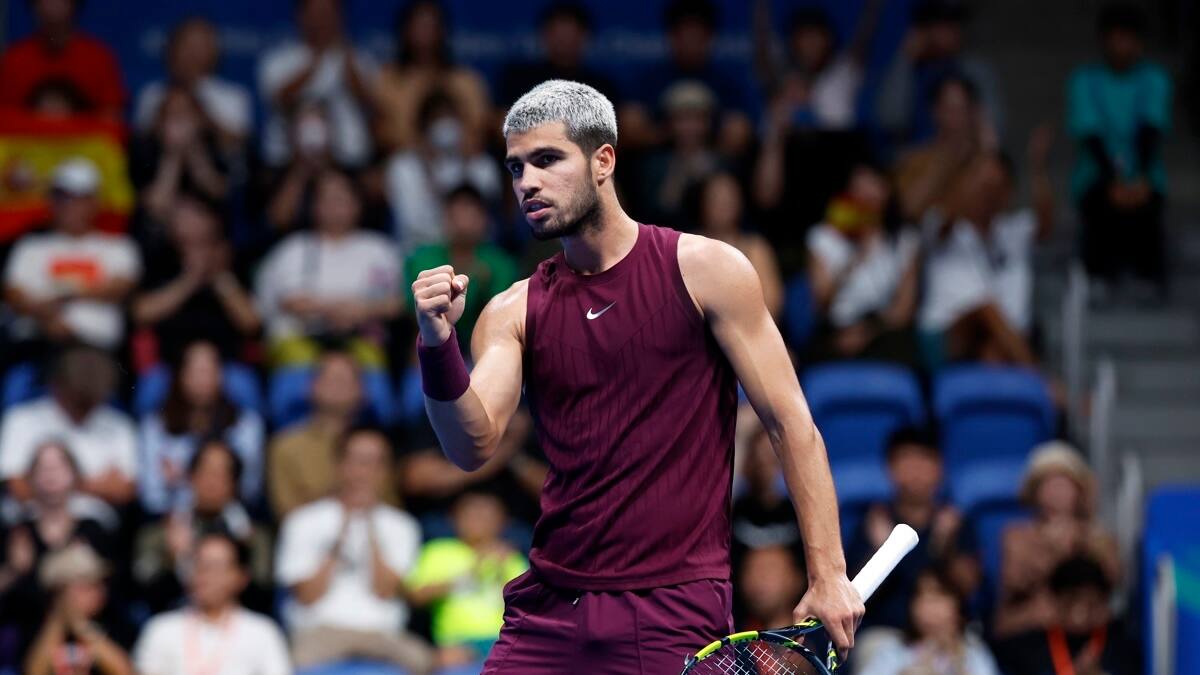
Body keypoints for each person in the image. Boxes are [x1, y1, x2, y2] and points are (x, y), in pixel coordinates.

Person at [412, 80, 862, 673]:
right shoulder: (511, 310)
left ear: (604, 161)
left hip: (672, 609)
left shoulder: (707, 270)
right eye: (516, 167)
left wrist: (828, 573)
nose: (527, 183)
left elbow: (790, 423)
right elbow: (471, 445)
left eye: (547, 160)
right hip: (549, 608)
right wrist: (436, 343)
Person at [274, 426, 432, 672]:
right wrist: (343, 527)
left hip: (382, 634)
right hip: (320, 631)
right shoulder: (302, 521)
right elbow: (307, 595)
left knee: (423, 661)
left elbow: (385, 590)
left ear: (385, 471)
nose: (363, 472)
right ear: (339, 464)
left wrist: (369, 523)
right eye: (356, 461)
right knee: (289, 664)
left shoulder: (403, 526)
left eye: (373, 463)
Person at [1068, 2, 1171, 297]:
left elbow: (1151, 131)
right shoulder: (1085, 80)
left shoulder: (1154, 79)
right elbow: (1090, 135)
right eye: (1116, 37)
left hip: (1144, 173)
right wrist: (1116, 181)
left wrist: (1137, 178)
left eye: (1129, 37)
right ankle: (1099, 274)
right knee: (1101, 204)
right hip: (1097, 174)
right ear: (1104, 40)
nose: (1122, 45)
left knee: (1147, 205)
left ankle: (1148, 277)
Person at [255, 168, 403, 370]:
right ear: (313, 206)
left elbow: (397, 302)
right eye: (327, 200)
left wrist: (364, 311)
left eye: (342, 199)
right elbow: (289, 301)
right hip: (301, 338)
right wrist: (338, 311)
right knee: (296, 364)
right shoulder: (294, 247)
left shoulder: (379, 249)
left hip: (360, 339)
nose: (335, 207)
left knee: (372, 363)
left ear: (357, 204)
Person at [845, 428, 979, 632]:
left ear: (940, 468)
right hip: (886, 633)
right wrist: (881, 551)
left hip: (948, 633)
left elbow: (968, 590)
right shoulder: (873, 521)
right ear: (890, 468)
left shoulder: (954, 523)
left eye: (925, 460)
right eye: (907, 459)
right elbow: (853, 597)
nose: (916, 470)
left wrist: (944, 546)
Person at [3, 158, 142, 354]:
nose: (69, 206)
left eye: (78, 197)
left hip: (96, 348)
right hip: (35, 344)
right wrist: (47, 316)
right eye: (61, 197)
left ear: (94, 202)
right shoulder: (30, 246)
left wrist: (59, 299)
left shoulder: (117, 246)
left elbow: (118, 288)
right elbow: (14, 294)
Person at [995, 442, 1120, 639]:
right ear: (1035, 492)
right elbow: (1014, 582)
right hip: (1033, 629)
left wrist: (1079, 542)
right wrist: (1049, 549)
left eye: (1064, 485)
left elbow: (1112, 579)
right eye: (1049, 485)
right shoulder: (1016, 535)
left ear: (1079, 492)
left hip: (1087, 625)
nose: (1056, 493)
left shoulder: (1098, 536)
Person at [134, 439, 272, 614]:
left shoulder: (255, 535)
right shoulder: (159, 531)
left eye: (222, 474)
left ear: (235, 484)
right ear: (190, 477)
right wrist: (171, 559)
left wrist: (244, 555)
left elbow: (262, 596)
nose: (212, 482)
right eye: (205, 472)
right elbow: (145, 592)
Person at [134, 531, 292, 675]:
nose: (205, 575)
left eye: (216, 566)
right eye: (199, 564)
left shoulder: (262, 632)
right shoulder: (161, 629)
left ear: (241, 577)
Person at [806, 165, 920, 364]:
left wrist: (867, 332)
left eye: (873, 185)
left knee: (903, 348)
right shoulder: (823, 237)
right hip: (836, 328)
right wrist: (853, 258)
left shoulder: (904, 240)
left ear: (888, 191)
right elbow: (821, 303)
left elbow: (903, 310)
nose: (866, 194)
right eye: (859, 187)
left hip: (881, 329)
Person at [137, 340, 265, 515]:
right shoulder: (155, 426)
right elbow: (152, 497)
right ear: (180, 375)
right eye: (196, 371)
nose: (203, 378)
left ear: (222, 376)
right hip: (170, 519)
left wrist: (182, 480)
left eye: (210, 370)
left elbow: (250, 488)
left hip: (230, 516)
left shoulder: (247, 424)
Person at [268, 351, 400, 517]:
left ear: (363, 391)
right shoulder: (285, 446)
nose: (337, 386)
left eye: (345, 380)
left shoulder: (378, 445)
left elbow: (392, 505)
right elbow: (285, 512)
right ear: (311, 386)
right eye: (330, 379)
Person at [131, 196, 260, 365]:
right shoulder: (161, 258)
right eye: (180, 214)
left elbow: (251, 322)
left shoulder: (230, 262)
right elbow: (141, 313)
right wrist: (190, 279)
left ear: (212, 220)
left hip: (225, 365)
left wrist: (219, 277)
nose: (187, 220)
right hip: (170, 365)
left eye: (195, 213)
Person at [0, 348, 137, 507]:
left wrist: (49, 483)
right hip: (31, 521)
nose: (84, 407)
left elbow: (126, 490)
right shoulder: (21, 419)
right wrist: (95, 484)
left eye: (91, 401)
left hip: (95, 525)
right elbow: (18, 488)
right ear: (57, 386)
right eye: (78, 400)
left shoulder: (119, 425)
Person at [407, 491, 528, 667]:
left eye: (486, 516)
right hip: (457, 643)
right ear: (455, 518)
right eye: (471, 514)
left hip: (506, 641)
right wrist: (471, 571)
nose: (477, 521)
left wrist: (502, 572)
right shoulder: (438, 551)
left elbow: (528, 609)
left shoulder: (511, 558)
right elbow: (416, 596)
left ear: (501, 522)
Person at [620, 0, 755, 154]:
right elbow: (630, 126)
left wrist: (701, 138)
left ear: (710, 38)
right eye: (684, 34)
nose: (690, 42)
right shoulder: (650, 80)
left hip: (712, 161)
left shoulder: (726, 83)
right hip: (660, 157)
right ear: (671, 36)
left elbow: (739, 132)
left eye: (697, 35)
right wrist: (674, 132)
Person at [258, 0, 377, 169]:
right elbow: (279, 101)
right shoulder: (278, 59)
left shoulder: (359, 59)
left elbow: (369, 106)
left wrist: (347, 62)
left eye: (328, 13)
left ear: (340, 18)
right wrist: (314, 63)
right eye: (316, 13)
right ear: (301, 16)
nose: (322, 20)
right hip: (287, 161)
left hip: (349, 159)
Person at [385, 90, 503, 252]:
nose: (445, 127)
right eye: (437, 120)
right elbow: (412, 222)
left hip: (475, 250)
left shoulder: (480, 163)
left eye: (450, 119)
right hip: (419, 249)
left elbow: (489, 215)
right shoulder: (404, 166)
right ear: (424, 127)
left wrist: (467, 164)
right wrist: (426, 168)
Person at [406, 185, 518, 351]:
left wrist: (484, 287)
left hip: (486, 344)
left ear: (484, 219)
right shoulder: (422, 258)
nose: (462, 224)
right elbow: (412, 309)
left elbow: (504, 315)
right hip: (430, 340)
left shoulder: (501, 263)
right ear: (445, 219)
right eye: (455, 216)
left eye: (470, 215)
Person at [878, 0, 1004, 145]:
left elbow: (996, 128)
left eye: (954, 22)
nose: (948, 31)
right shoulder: (911, 71)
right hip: (917, 158)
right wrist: (906, 59)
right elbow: (889, 120)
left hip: (963, 156)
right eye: (940, 22)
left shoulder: (975, 71)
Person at [374, 0, 492, 154]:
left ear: (443, 31)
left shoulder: (465, 81)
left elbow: (480, 127)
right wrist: (419, 148)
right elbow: (381, 131)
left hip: (461, 158)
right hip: (409, 159)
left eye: (430, 26)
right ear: (404, 31)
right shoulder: (389, 80)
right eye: (419, 26)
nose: (425, 34)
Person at [753, 0, 883, 132]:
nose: (811, 45)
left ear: (828, 40)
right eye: (805, 38)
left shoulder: (843, 73)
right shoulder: (781, 77)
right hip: (788, 148)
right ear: (794, 42)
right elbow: (762, 47)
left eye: (816, 38)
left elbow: (865, 35)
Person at [995, 555, 1137, 675]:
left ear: (1104, 603)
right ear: (1053, 601)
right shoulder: (1026, 647)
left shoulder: (1120, 644)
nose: (1080, 614)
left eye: (1091, 604)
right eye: (1071, 602)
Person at [133, 17, 253, 150]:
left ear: (215, 50)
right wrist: (168, 109)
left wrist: (199, 115)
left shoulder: (234, 95)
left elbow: (239, 145)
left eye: (200, 46)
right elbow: (142, 140)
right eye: (187, 44)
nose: (192, 53)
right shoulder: (152, 93)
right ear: (172, 48)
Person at [856, 568, 1000, 675]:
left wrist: (959, 666)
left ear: (957, 606)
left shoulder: (974, 653)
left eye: (937, 596)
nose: (926, 605)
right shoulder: (893, 651)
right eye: (920, 597)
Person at [893, 75, 995, 223]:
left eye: (961, 109)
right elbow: (907, 211)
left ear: (973, 113)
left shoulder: (984, 160)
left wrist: (988, 154)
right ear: (935, 111)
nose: (955, 119)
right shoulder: (914, 159)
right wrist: (945, 163)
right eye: (949, 109)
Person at [23, 543, 135, 675]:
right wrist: (58, 621)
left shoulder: (115, 619)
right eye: (88, 585)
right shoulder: (34, 624)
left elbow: (126, 672)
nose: (100, 591)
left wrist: (81, 627)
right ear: (59, 591)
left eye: (101, 583)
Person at [0, 0, 125, 118]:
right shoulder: (15, 59)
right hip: (27, 140)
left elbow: (111, 116)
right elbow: (4, 116)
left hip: (83, 140)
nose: (53, 4)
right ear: (34, 5)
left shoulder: (98, 58)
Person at [129, 87, 232, 228]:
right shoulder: (144, 150)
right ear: (159, 122)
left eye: (185, 114)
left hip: (208, 226)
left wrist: (195, 152)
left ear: (199, 119)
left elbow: (218, 193)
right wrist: (172, 156)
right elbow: (156, 206)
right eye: (172, 115)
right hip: (162, 230)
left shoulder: (215, 146)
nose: (179, 123)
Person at [690, 172, 783, 320]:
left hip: (748, 334)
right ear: (703, 203)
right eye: (715, 199)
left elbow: (772, 305)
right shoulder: (688, 247)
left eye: (728, 199)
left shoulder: (756, 248)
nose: (723, 205)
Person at [496, 2, 621, 109]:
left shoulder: (602, 86)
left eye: (569, 34)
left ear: (585, 37)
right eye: (557, 34)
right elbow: (502, 122)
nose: (563, 41)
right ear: (544, 35)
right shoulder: (518, 79)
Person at [736, 545, 807, 631]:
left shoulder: (822, 638)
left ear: (797, 579)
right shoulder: (732, 639)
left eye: (770, 568)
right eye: (750, 569)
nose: (758, 577)